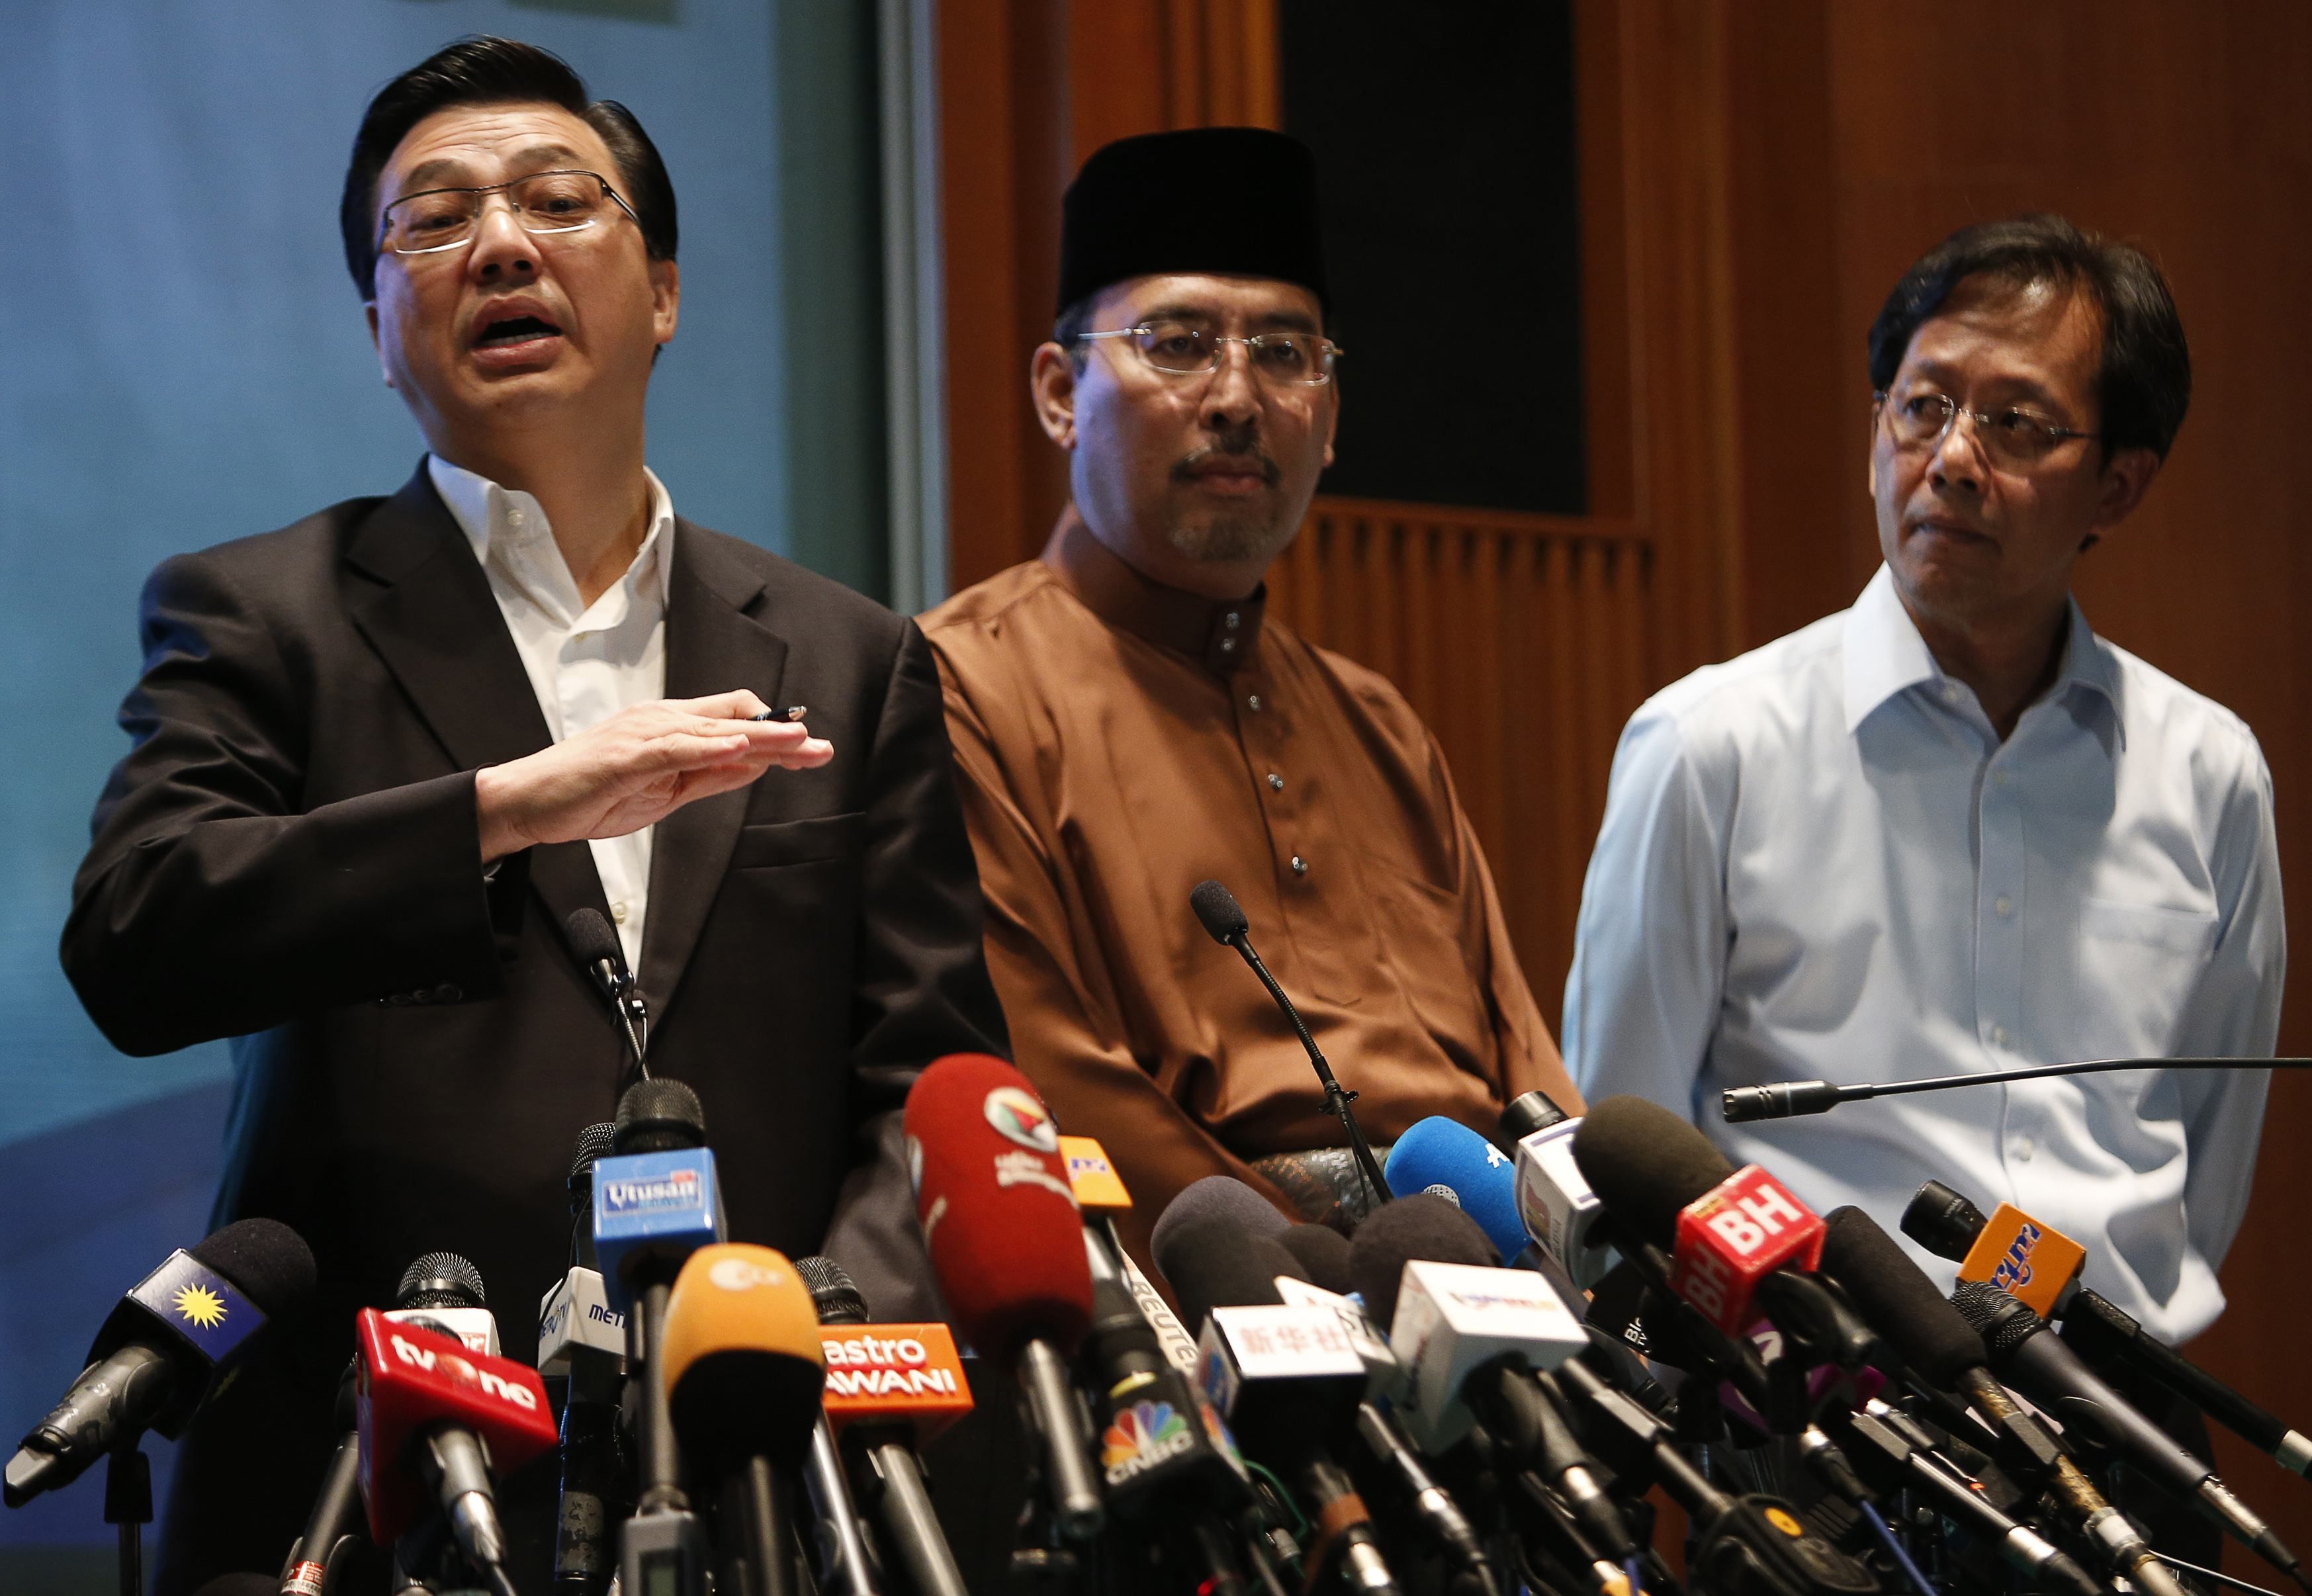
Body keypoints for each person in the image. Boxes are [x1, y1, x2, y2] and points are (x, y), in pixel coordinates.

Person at [61, 38, 1005, 1593]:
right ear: (379, 327)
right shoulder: (262, 617)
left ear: (665, 293)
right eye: (428, 222)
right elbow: (139, 934)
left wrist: (825, 1336)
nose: (499, 242)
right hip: (370, 1482)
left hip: (771, 1479)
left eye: (561, 201)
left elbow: (932, 1073)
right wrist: (502, 810)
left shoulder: (849, 655)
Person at [1562, 214, 2281, 1349]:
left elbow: (2213, 1149)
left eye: (2015, 424)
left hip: (2121, 1411)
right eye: (1923, 405)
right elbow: (1624, 1144)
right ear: (1876, 424)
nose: (1950, 459)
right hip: (1826, 1416)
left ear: (2118, 488)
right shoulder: (1711, 744)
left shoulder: (2209, 771)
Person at [921, 127, 1579, 1263]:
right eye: (1177, 343)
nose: (1237, 395)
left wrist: (1579, 1251)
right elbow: (1047, 1083)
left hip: (1499, 1288)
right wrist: (1320, 1282)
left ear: (1329, 420)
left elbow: (1522, 1057)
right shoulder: (958, 684)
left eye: (1284, 352)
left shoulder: (1378, 722)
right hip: (1218, 1298)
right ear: (1057, 392)